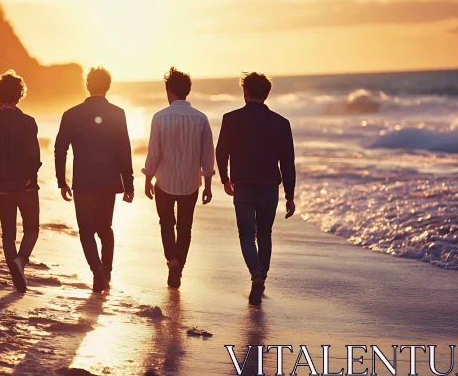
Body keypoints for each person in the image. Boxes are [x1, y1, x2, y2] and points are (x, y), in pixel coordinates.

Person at [216, 72, 296, 305]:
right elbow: (287, 163)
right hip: (270, 187)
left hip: (244, 186)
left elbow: (221, 152)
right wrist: (290, 196)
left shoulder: (231, 119)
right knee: (265, 235)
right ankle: (262, 278)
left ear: (246, 92)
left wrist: (225, 179)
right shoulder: (281, 123)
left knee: (246, 235)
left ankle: (256, 274)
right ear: (266, 93)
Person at [55, 66, 135, 293]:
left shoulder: (71, 114)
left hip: (83, 182)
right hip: (109, 181)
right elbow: (124, 151)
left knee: (86, 231)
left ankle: (97, 271)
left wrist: (62, 181)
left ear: (87, 85)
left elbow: (60, 149)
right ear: (108, 87)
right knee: (105, 228)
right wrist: (128, 185)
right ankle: (106, 273)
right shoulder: (118, 113)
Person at [143, 67, 215, 289]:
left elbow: (154, 152)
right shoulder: (201, 119)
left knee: (166, 223)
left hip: (164, 182)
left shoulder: (159, 118)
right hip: (190, 183)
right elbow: (207, 154)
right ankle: (179, 266)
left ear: (169, 90)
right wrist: (208, 185)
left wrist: (148, 179)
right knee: (185, 227)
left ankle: (171, 261)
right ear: (187, 91)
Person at [0, 70, 41, 293]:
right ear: (20, 95)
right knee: (31, 229)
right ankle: (21, 262)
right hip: (27, 187)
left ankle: (17, 276)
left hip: (0, 188)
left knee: (8, 235)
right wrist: (32, 178)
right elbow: (34, 157)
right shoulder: (28, 123)